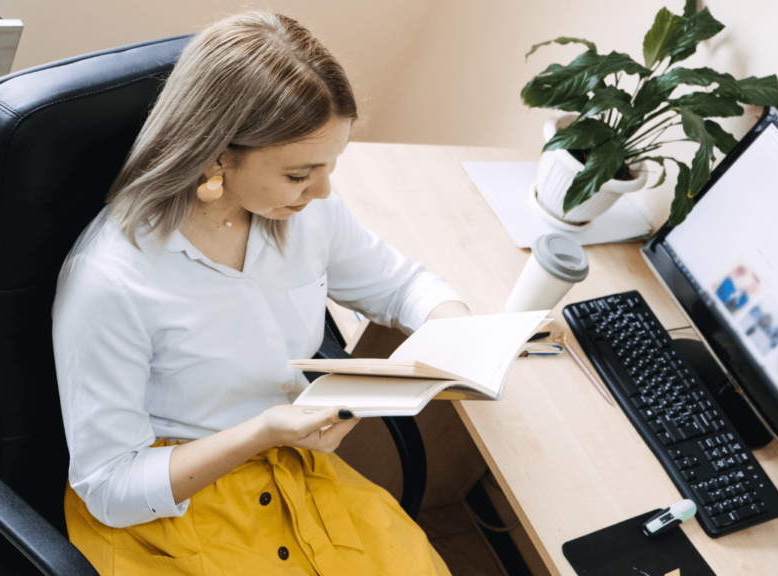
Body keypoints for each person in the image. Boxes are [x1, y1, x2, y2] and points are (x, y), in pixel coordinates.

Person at [51, 11, 468, 575]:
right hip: (177, 502)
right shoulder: (111, 281)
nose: (323, 191)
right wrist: (265, 430)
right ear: (219, 154)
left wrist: (459, 330)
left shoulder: (303, 214)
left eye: (331, 165)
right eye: (300, 174)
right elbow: (109, 486)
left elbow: (402, 285)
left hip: (294, 469)